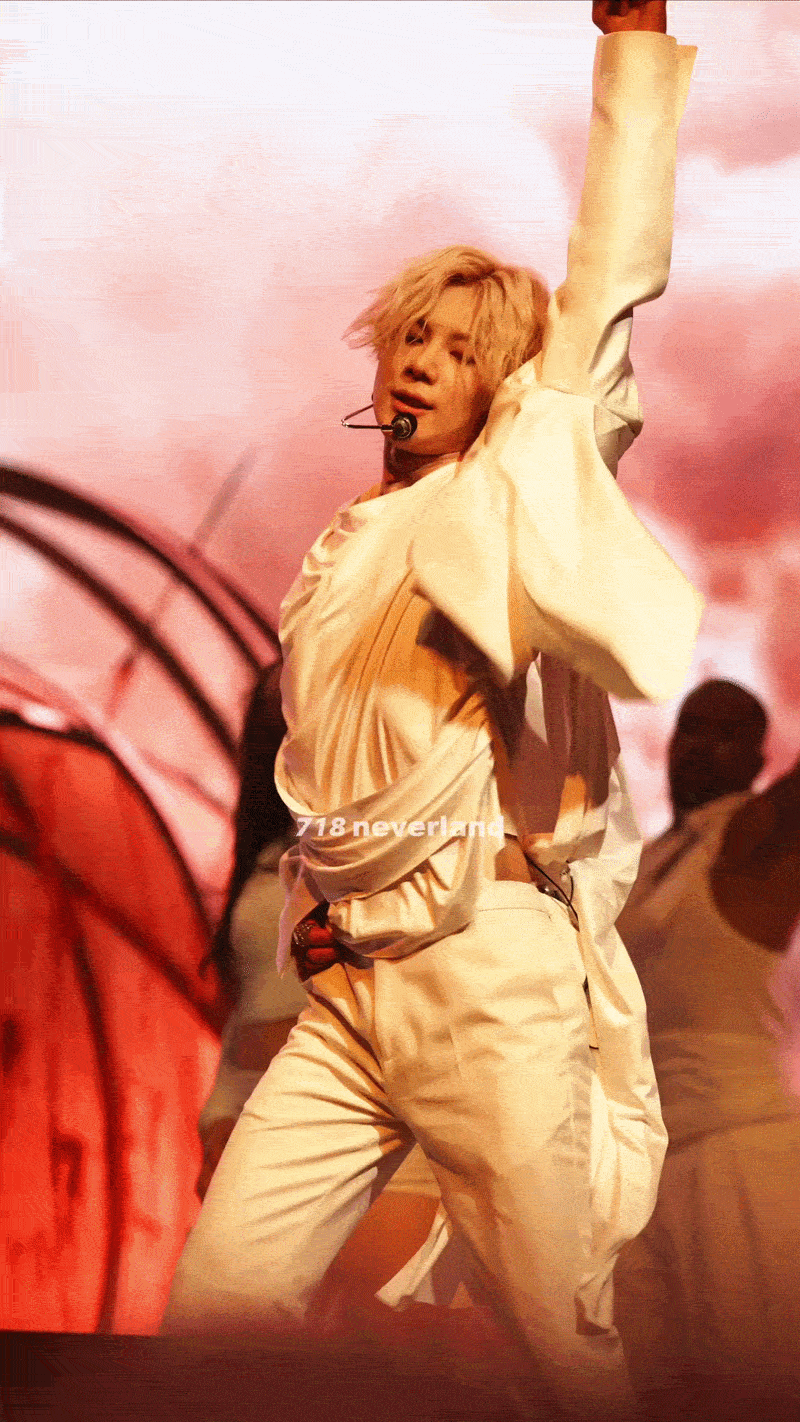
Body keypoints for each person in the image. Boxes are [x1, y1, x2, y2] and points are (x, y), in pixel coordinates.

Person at [164, 4, 701, 1415]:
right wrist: (322, 905)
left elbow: (606, 285)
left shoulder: (510, 493)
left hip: (484, 978)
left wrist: (631, 56)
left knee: (559, 1340)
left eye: (459, 348)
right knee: (217, 1304)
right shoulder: (346, 544)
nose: (419, 360)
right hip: (353, 985)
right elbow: (335, 773)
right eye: (410, 336)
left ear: (504, 384)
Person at [197, 663, 445, 1314]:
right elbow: (245, 1001)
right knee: (244, 1335)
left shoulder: (393, 839)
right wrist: (218, 1114)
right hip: (257, 1119)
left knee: (359, 1342)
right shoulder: (267, 851)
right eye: (274, 714)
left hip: (371, 1126)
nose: (291, 725)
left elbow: (409, 991)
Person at [613, 680, 800, 1412]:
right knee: (657, 1396)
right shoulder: (638, 862)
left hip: (736, 1145)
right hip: (640, 1165)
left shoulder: (757, 837)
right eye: (691, 728)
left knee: (754, 1389)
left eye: (726, 734)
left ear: (758, 759)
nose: (700, 747)